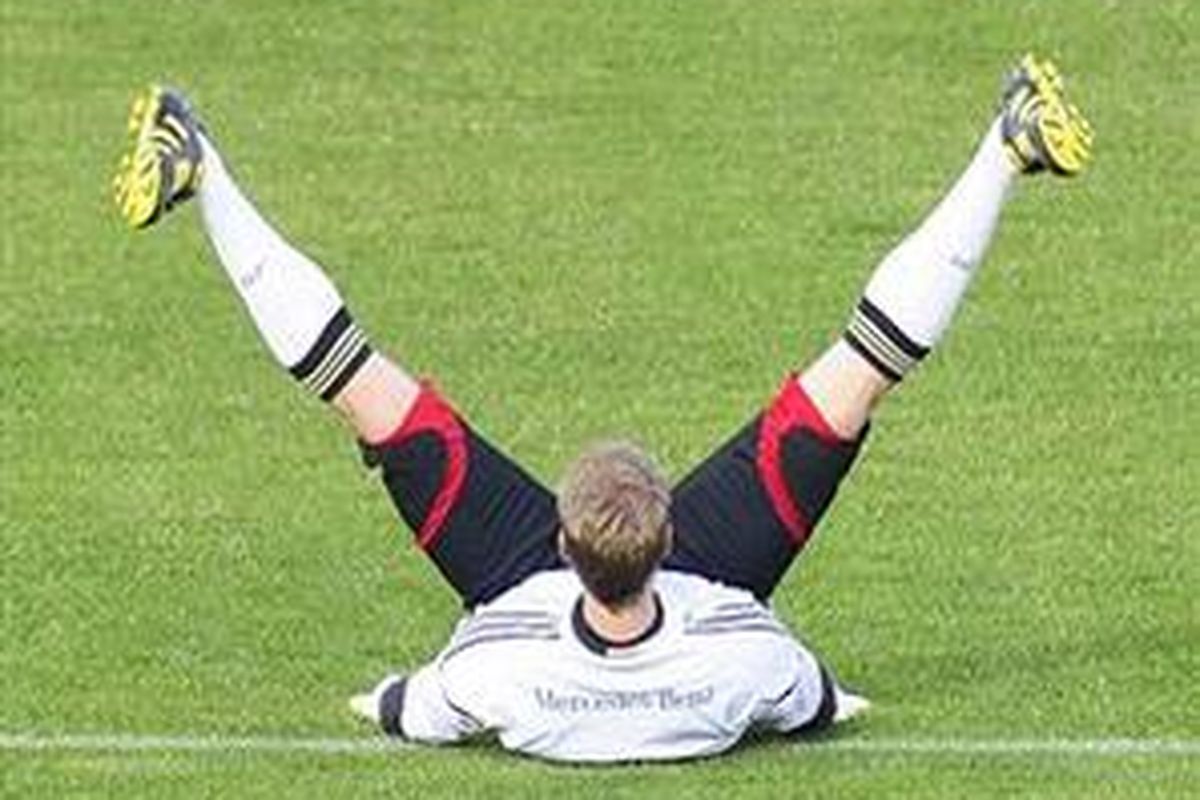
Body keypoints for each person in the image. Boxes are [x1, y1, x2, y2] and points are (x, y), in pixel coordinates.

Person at [112, 54, 1091, 763]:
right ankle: (1007, 148)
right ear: (666, 534)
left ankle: (203, 172)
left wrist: (388, 700)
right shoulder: (743, 649)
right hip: (691, 618)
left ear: (566, 544)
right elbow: (816, 695)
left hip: (538, 613)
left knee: (362, 384)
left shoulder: (496, 659)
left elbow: (406, 703)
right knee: (858, 369)